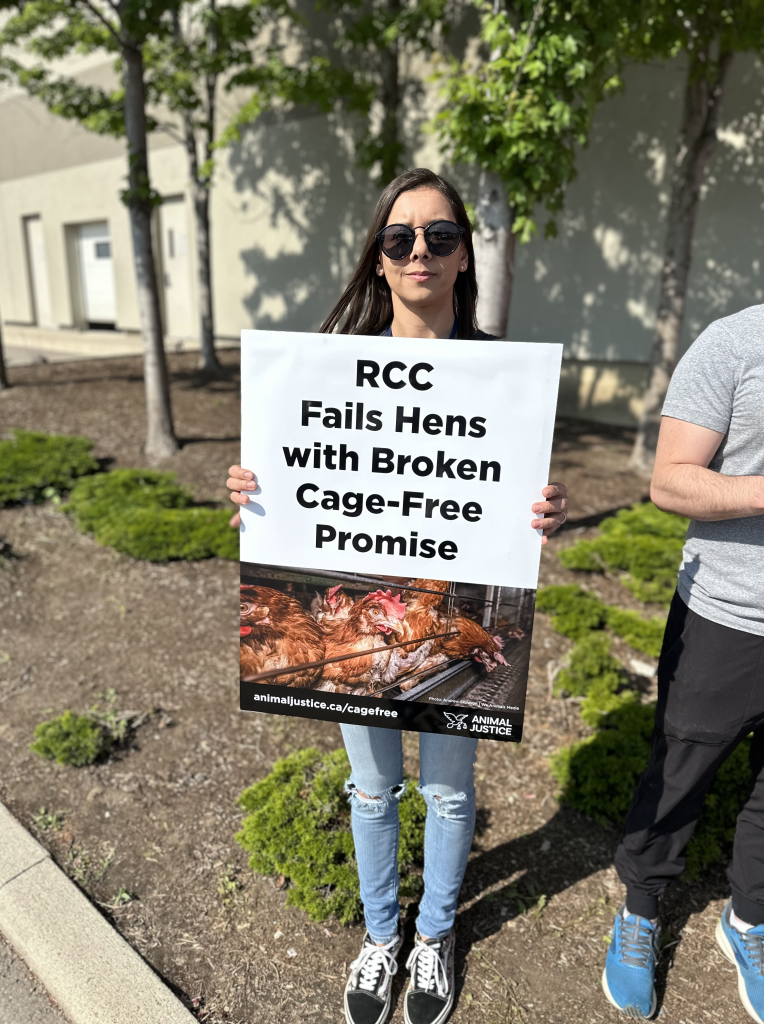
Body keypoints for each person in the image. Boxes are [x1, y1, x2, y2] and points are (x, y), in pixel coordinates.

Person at [227, 167, 569, 1024]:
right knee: (372, 789)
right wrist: (253, 491)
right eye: (401, 237)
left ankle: (433, 936)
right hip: (359, 624)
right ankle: (383, 935)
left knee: (450, 794)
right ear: (379, 261)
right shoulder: (326, 370)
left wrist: (540, 510)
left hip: (448, 608)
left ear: (462, 257)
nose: (421, 251)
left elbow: (497, 497)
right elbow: (296, 483)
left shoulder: (502, 378)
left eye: (440, 236)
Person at [602, 304, 764, 1022]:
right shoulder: (734, 343)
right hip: (730, 616)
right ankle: (641, 908)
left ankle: (750, 919)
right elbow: (670, 482)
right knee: (680, 771)